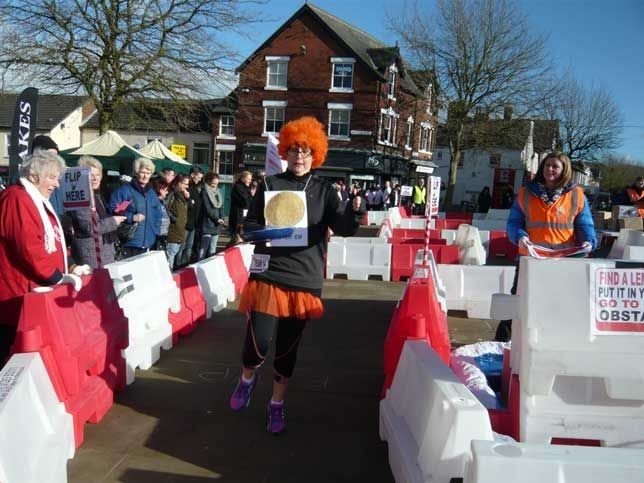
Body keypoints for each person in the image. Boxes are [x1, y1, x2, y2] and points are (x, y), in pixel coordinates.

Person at [229, 116, 365, 434]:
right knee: (258, 342)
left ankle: (276, 405)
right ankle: (247, 379)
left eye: (306, 151)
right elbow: (248, 230)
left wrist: (353, 209)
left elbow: (345, 227)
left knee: (287, 350)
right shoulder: (269, 184)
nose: (300, 157)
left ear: (315, 153)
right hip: (269, 275)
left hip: (303, 279)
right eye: (294, 150)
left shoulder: (325, 190)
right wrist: (272, 231)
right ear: (285, 152)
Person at [497, 152, 597, 341]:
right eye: (547, 165)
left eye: (555, 166)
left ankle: (554, 340)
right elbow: (514, 223)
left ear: (564, 170)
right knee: (517, 301)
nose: (550, 170)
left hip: (563, 261)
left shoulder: (577, 195)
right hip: (530, 259)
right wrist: (519, 237)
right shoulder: (525, 193)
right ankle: (502, 343)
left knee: (559, 302)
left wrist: (588, 241)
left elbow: (585, 225)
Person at [0, 151, 86, 365]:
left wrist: (72, 265)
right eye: (52, 177)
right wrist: (57, 277)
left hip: (30, 293)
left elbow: (53, 242)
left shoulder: (35, 201)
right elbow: (29, 248)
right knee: (8, 356)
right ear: (33, 176)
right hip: (15, 295)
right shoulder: (17, 198)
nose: (57, 184)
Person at [68, 156, 126, 268]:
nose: (95, 178)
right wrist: (113, 221)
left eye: (98, 174)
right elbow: (89, 227)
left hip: (105, 251)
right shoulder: (81, 197)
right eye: (91, 175)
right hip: (90, 254)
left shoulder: (97, 195)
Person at [109, 157, 163, 259]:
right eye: (142, 172)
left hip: (149, 242)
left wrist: (156, 231)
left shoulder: (151, 193)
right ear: (136, 172)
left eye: (148, 173)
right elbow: (114, 210)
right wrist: (131, 217)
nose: (145, 176)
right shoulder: (125, 191)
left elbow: (158, 213)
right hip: (130, 243)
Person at [178, 166, 204, 265]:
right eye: (199, 177)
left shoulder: (196, 189)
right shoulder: (187, 188)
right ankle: (178, 266)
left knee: (189, 247)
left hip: (193, 223)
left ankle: (185, 266)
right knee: (182, 247)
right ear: (192, 175)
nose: (200, 179)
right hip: (185, 223)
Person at [165, 174, 191, 270]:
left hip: (179, 230)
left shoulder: (182, 195)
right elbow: (165, 209)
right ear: (178, 183)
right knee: (170, 256)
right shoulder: (171, 193)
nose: (187, 186)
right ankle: (168, 275)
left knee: (173, 254)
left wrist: (187, 198)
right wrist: (174, 219)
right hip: (172, 231)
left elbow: (189, 209)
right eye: (185, 184)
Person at [198, 172, 225, 259]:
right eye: (213, 183)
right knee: (203, 249)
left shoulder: (217, 192)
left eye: (217, 183)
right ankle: (199, 265)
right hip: (207, 223)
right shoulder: (204, 191)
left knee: (213, 249)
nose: (215, 185)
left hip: (217, 224)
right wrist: (217, 218)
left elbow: (221, 206)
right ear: (208, 182)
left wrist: (222, 217)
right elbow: (207, 207)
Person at [228, 170, 253, 244]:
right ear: (243, 178)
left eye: (250, 179)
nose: (250, 181)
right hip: (237, 216)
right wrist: (250, 195)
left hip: (243, 215)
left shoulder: (245, 187)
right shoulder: (238, 187)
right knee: (237, 237)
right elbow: (245, 201)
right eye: (248, 179)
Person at [151, 177, 170, 251]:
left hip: (162, 235)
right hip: (156, 236)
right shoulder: (154, 203)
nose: (167, 192)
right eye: (165, 190)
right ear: (160, 190)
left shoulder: (162, 202)